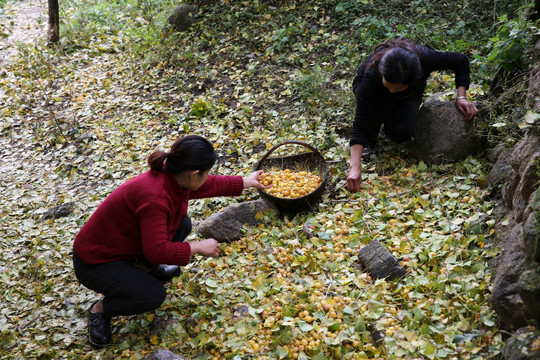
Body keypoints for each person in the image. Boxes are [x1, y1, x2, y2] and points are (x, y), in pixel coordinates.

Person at [72, 135, 269, 348]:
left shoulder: (173, 175)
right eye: (206, 171)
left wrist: (246, 182)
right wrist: (197, 247)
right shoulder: (155, 197)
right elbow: (157, 250)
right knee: (152, 295)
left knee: (182, 223)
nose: (208, 176)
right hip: (95, 261)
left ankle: (145, 269)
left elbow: (206, 185)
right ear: (194, 174)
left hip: (125, 247)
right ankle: (100, 310)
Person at [347, 38, 479, 192]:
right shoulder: (372, 74)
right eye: (388, 86)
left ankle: (392, 112)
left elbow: (461, 61)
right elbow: (360, 123)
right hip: (374, 91)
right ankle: (371, 135)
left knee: (401, 132)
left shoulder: (426, 58)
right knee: (375, 109)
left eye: (397, 88)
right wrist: (354, 167)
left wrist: (461, 96)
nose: (391, 91)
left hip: (409, 95)